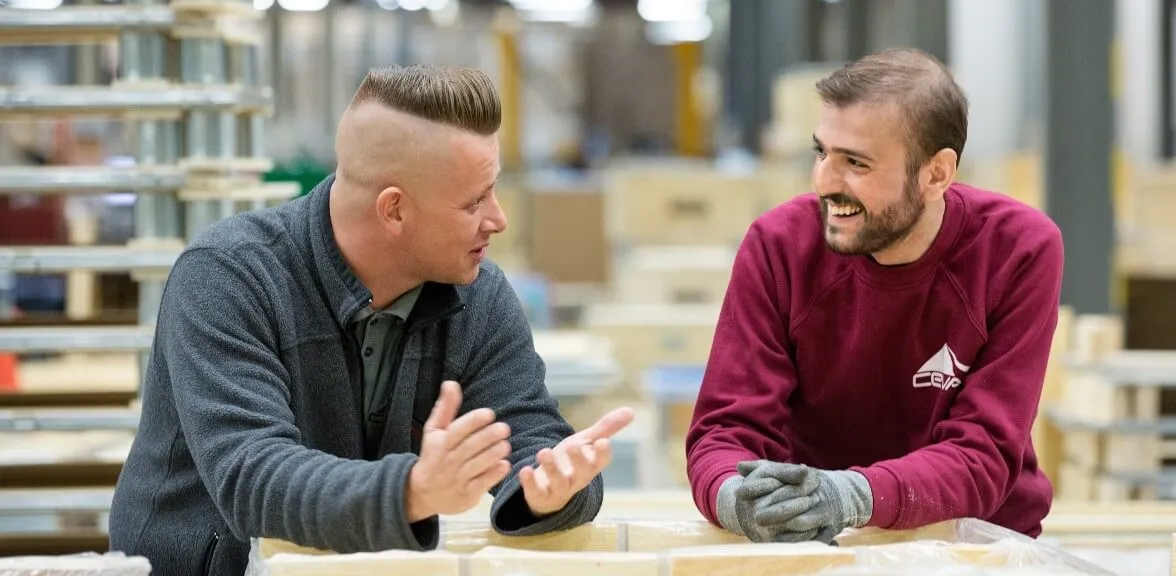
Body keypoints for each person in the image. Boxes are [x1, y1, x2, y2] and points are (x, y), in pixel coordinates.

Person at [110, 65, 635, 576]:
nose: (498, 218)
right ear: (394, 211)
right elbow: (252, 477)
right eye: (474, 202)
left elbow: (527, 432)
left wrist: (548, 489)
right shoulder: (227, 278)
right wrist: (411, 491)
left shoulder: (478, 295)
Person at [685, 48, 1064, 544]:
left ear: (936, 174)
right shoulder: (779, 245)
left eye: (856, 163)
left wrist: (854, 496)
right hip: (813, 542)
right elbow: (726, 429)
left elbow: (983, 454)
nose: (823, 182)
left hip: (971, 542)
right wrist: (732, 495)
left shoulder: (1019, 249)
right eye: (821, 152)